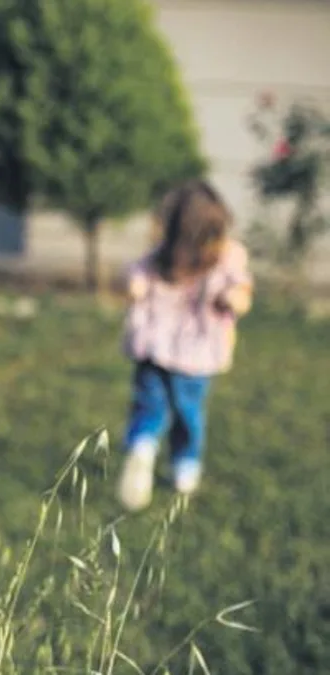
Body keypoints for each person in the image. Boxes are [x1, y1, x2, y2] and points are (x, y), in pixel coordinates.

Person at [117, 179, 253, 512]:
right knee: (176, 410)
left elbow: (243, 291)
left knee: (165, 408)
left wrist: (233, 299)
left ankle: (158, 453)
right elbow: (135, 275)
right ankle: (169, 459)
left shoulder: (204, 257)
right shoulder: (178, 257)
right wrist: (133, 285)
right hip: (178, 351)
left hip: (174, 349)